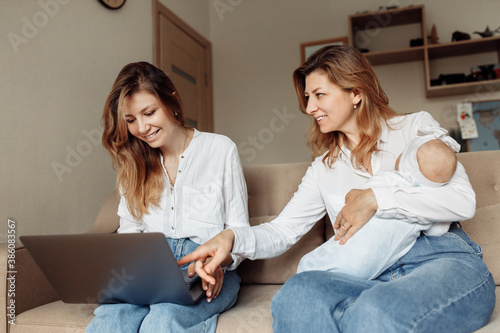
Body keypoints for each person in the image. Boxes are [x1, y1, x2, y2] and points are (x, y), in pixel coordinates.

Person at [179, 45, 496, 332]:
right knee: (296, 297)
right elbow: (282, 231)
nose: (308, 107)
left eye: (319, 95)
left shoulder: (414, 129)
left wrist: (375, 198)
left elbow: (462, 201)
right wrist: (231, 238)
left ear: (355, 92)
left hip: (442, 261)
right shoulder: (323, 169)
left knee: (374, 313)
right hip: (366, 274)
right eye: (306, 98)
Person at [86, 62, 249, 333]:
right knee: (110, 321)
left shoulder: (220, 149)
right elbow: (130, 234)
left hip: (204, 267)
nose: (142, 127)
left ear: (171, 100)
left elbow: (239, 231)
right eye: (130, 120)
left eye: (149, 113)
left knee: (162, 321)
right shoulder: (132, 162)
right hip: (148, 267)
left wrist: (216, 261)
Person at [297, 134, 459, 279]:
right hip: (370, 268)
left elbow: (357, 196)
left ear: (407, 162)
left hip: (349, 245)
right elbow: (438, 231)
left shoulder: (389, 178)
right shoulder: (428, 206)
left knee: (311, 264)